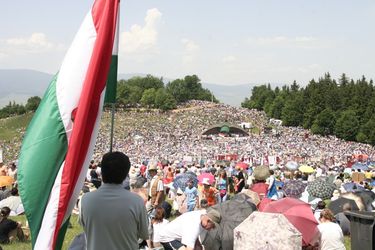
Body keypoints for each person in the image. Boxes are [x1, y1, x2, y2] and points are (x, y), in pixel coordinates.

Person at [80, 152, 149, 250]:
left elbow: (85, 227)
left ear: (102, 172)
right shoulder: (136, 201)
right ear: (126, 174)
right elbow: (144, 233)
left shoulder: (86, 200)